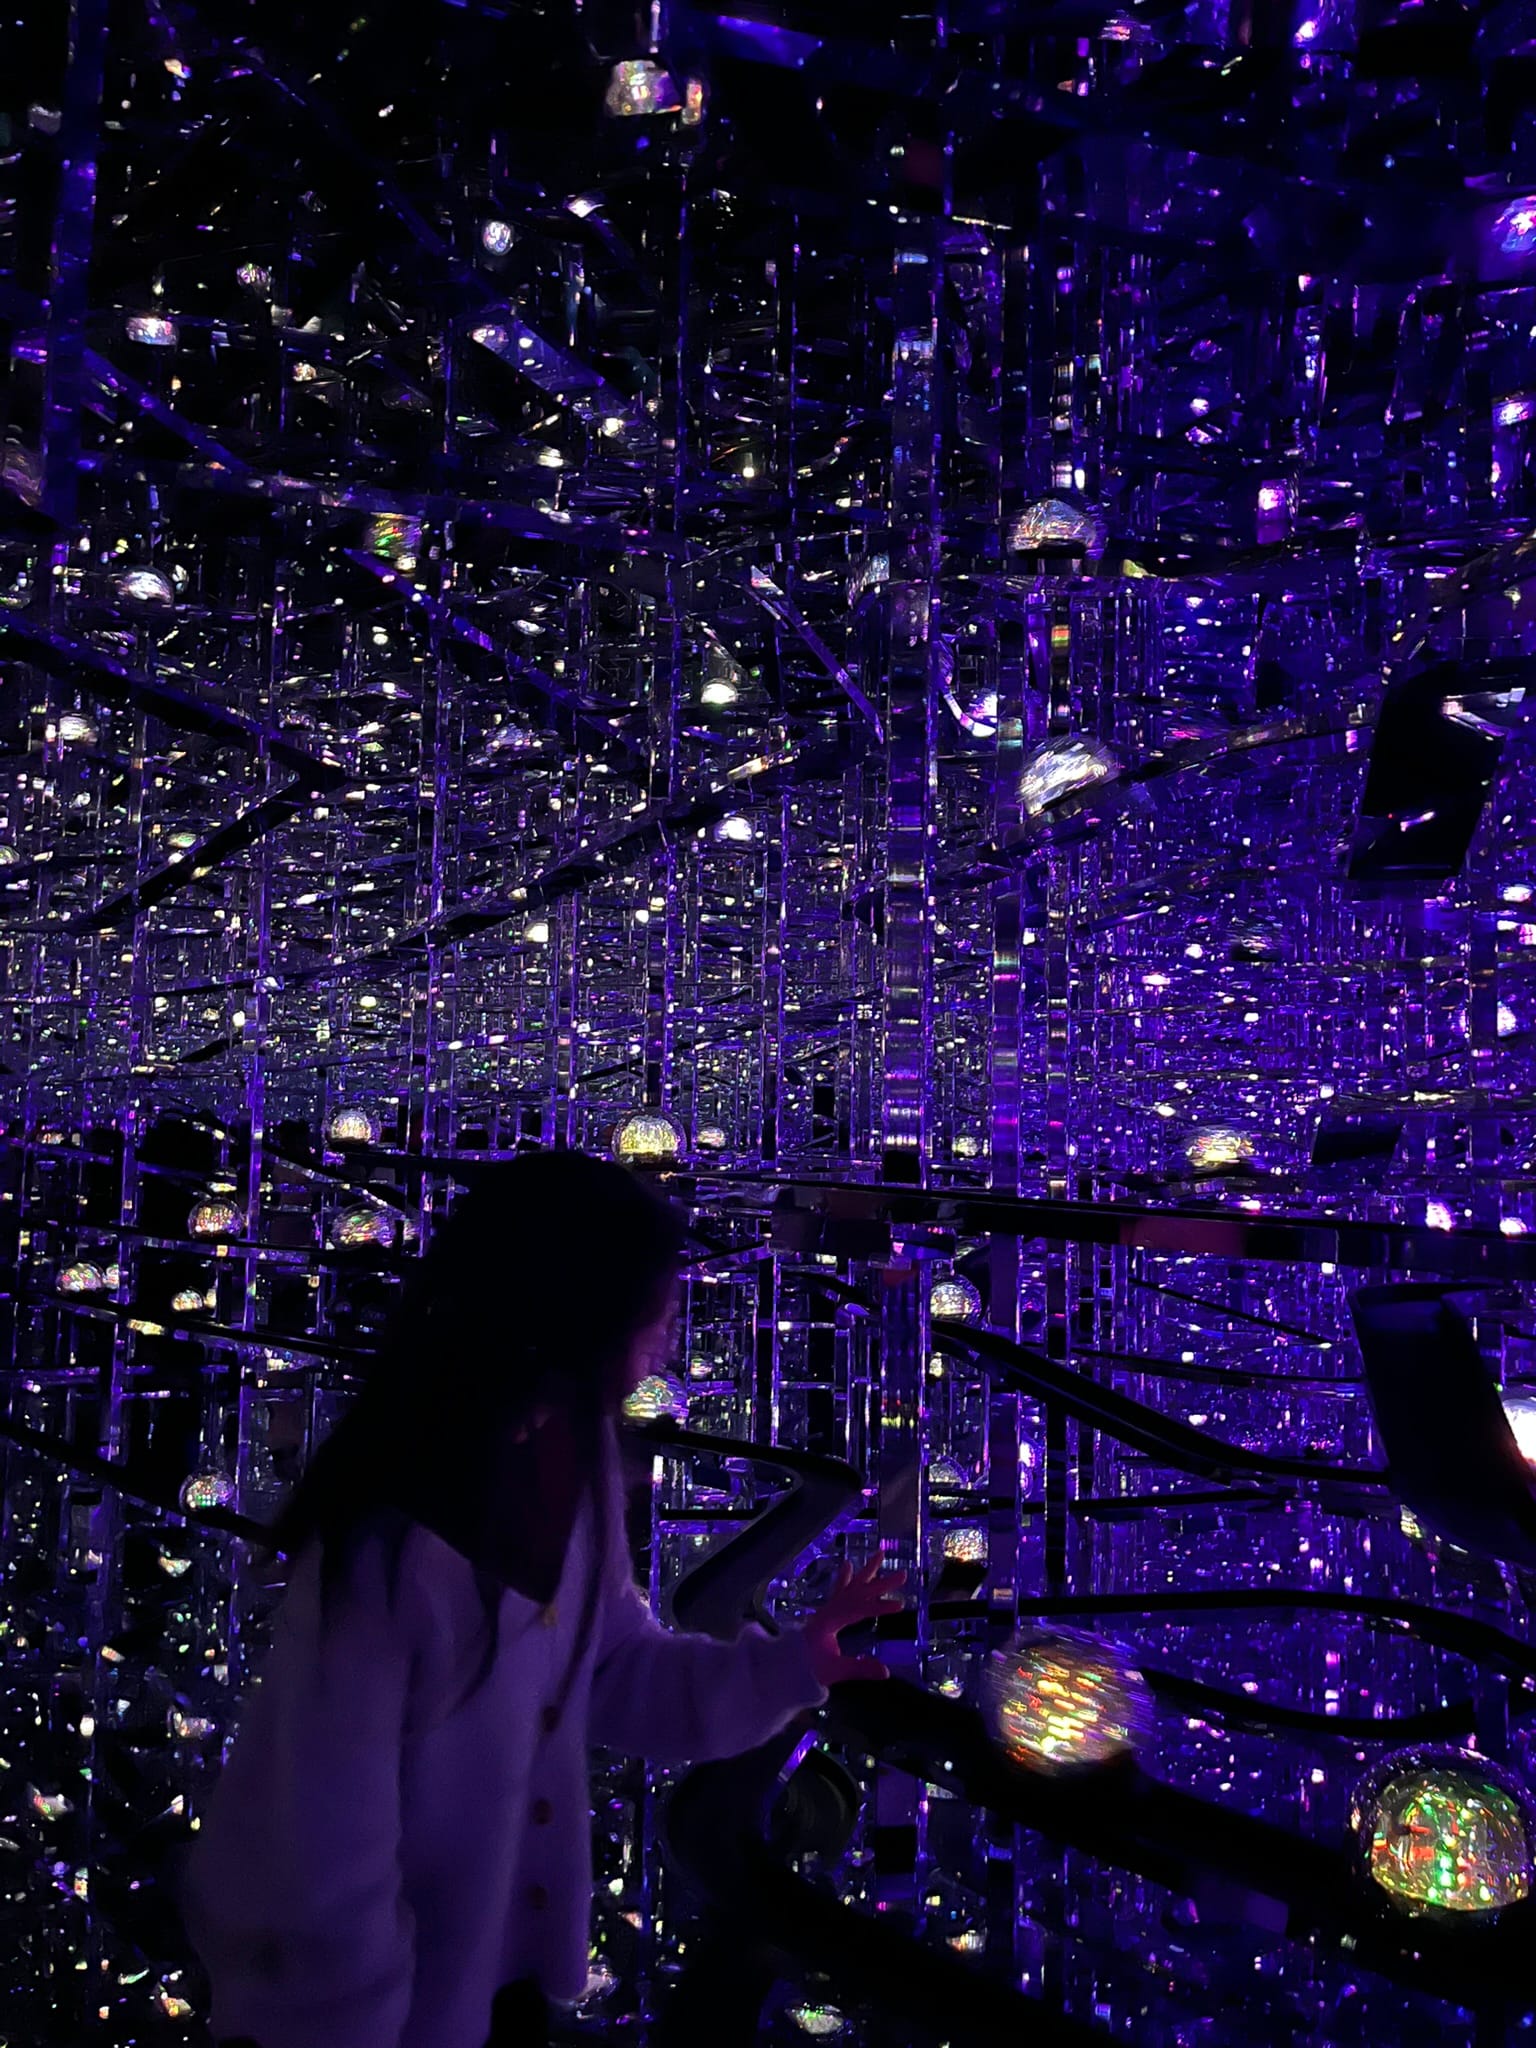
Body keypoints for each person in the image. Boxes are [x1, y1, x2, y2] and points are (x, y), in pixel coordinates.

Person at [181, 1149, 905, 2048]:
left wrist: (792, 1665)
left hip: (497, 1979)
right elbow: (327, 1850)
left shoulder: (569, 1461)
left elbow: (615, 1669)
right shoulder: (396, 1540)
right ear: (580, 1311)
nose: (665, 1342)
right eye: (657, 1311)